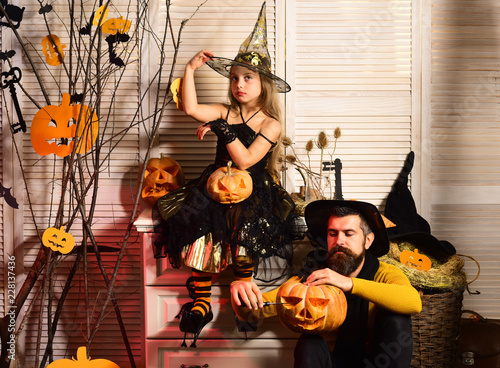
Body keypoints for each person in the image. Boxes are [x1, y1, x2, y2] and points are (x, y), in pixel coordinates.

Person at [152, 2, 297, 347]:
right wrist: (189, 69)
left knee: (244, 235)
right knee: (202, 235)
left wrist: (221, 128)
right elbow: (189, 108)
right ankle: (201, 302)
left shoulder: (270, 124)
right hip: (215, 187)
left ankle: (243, 303)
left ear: (263, 84)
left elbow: (246, 161)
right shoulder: (226, 110)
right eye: (234, 78)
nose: (239, 85)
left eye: (248, 78)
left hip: (252, 190)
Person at [230, 200, 422, 367]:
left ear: (368, 240)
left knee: (398, 321)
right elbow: (256, 311)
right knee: (309, 342)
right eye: (333, 233)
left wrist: (349, 284)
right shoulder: (312, 276)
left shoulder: (385, 273)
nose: (339, 241)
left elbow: (413, 303)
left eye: (348, 234)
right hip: (330, 363)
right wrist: (240, 292)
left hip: (377, 362)